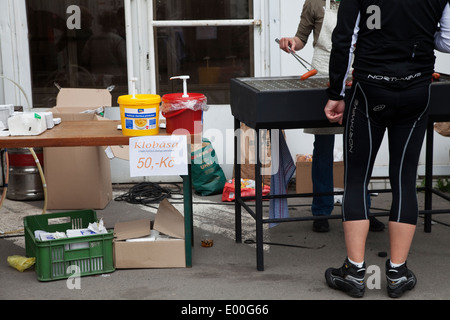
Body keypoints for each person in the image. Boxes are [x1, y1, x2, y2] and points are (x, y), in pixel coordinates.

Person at [323, 0, 450, 298]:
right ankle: (397, 272)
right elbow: (447, 40)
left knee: (356, 178)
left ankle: (355, 272)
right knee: (405, 180)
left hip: (370, 89)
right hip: (416, 88)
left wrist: (335, 93)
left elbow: (343, 39)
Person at [279, 0, 384, 233]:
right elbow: (300, 39)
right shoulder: (314, 3)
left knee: (359, 148)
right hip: (323, 72)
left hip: (359, 70)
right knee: (324, 147)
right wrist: (290, 42)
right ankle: (321, 209)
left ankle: (361, 209)